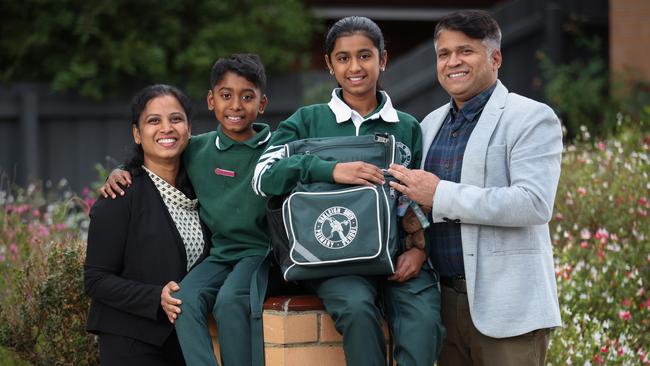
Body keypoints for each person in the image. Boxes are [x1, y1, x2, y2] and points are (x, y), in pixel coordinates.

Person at [252, 16, 445, 365]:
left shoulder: (407, 126)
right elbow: (262, 177)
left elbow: (417, 200)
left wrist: (418, 250)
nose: (355, 67)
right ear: (329, 64)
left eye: (365, 56)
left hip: (396, 257)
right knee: (357, 310)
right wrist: (329, 169)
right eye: (343, 58)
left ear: (382, 60)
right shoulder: (306, 121)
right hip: (334, 261)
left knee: (423, 323)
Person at [387, 10, 563, 366]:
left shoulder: (531, 117)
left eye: (465, 51)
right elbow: (418, 209)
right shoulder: (429, 124)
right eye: (444, 54)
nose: (453, 62)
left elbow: (533, 203)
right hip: (443, 304)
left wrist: (440, 194)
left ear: (495, 58)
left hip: (509, 311)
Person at [100, 54, 272, 366]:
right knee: (183, 299)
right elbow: (152, 154)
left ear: (261, 104)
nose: (235, 105)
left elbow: (306, 163)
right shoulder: (198, 150)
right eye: (225, 95)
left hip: (260, 254)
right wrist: (119, 171)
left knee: (230, 302)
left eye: (246, 97)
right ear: (211, 100)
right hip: (221, 256)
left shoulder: (275, 150)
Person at [85, 84, 209, 365]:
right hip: (131, 343)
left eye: (176, 119)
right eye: (154, 120)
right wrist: (156, 297)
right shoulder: (120, 195)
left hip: (184, 342)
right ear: (137, 134)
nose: (167, 128)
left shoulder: (201, 190)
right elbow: (96, 279)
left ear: (189, 129)